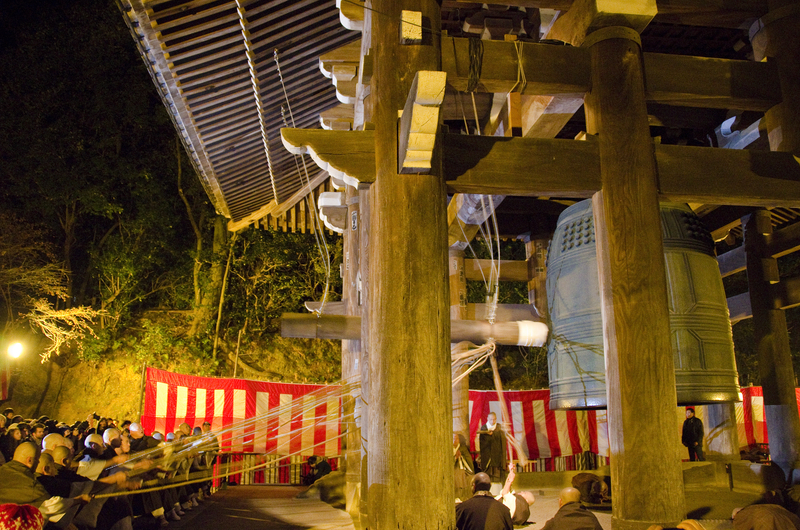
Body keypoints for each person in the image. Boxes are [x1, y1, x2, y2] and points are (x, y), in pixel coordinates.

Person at [476, 412, 507, 484]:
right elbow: (482, 443)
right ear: (487, 419)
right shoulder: (484, 428)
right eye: (491, 419)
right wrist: (487, 434)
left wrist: (494, 434)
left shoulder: (499, 428)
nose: (492, 421)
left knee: (497, 476)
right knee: (487, 475)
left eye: (494, 419)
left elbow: (502, 443)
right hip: (487, 456)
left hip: (497, 456)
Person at [454, 433, 475, 501]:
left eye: (456, 439)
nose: (455, 440)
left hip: (463, 468)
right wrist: (455, 457)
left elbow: (468, 460)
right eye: (454, 439)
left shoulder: (463, 449)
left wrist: (460, 456)